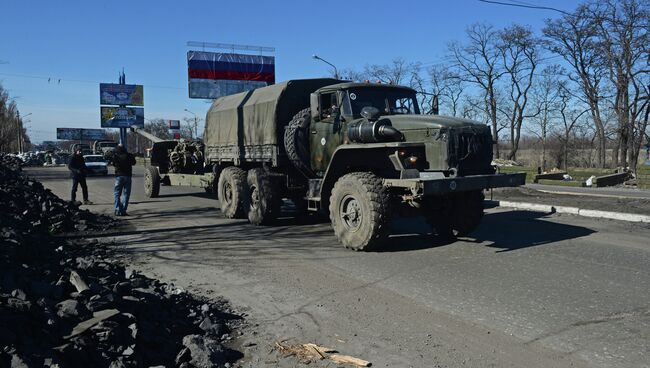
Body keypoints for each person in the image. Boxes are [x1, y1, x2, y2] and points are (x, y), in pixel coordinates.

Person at [111, 144, 136, 216]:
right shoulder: (129, 155)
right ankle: (124, 210)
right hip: (128, 176)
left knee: (117, 194)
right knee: (126, 194)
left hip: (119, 176)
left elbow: (113, 164)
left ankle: (118, 209)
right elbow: (134, 163)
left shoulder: (115, 156)